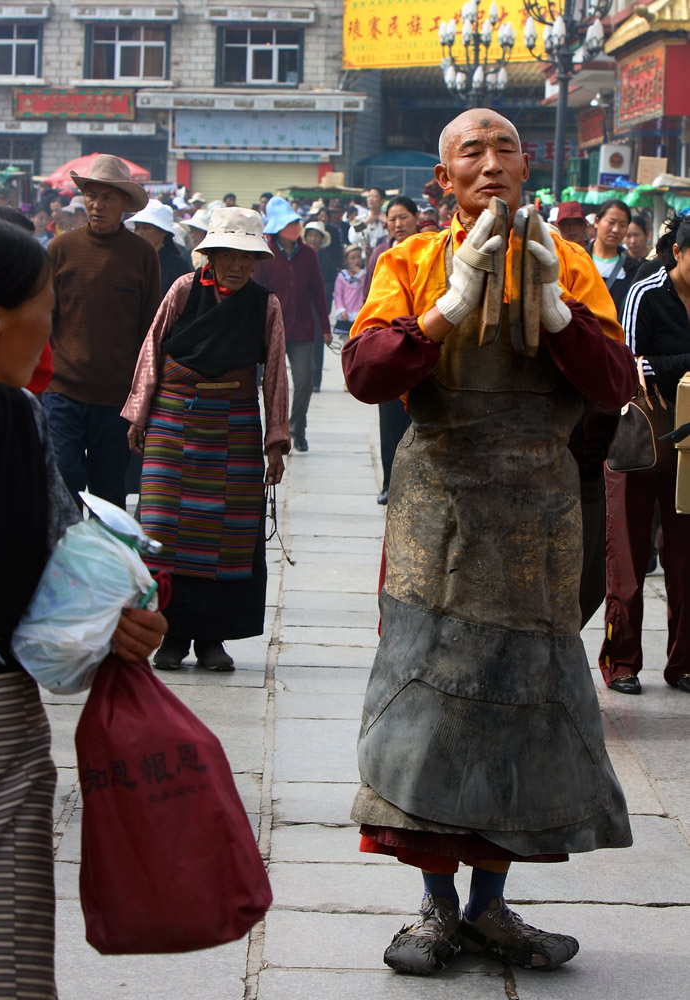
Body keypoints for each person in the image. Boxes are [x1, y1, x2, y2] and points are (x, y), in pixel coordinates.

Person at [341, 108, 637, 978]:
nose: (492, 162)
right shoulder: (410, 262)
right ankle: (434, 910)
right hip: (439, 511)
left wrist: (552, 309)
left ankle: (493, 907)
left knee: (523, 703)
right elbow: (364, 373)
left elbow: (615, 383)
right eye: (472, 150)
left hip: (536, 517)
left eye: (507, 148)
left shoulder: (570, 262)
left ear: (526, 169)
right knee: (429, 707)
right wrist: (443, 313)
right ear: (444, 180)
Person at [0, 214, 167, 999]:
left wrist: (119, 619)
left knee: (5, 956)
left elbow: (65, 554)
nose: (49, 337)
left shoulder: (15, 417)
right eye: (45, 314)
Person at [122, 208, 290, 672]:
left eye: (244, 257)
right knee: (160, 531)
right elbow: (152, 348)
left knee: (227, 534)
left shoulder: (265, 304)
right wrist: (139, 412)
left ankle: (212, 639)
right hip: (172, 421)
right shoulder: (182, 289)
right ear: (210, 255)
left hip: (234, 423)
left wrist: (275, 439)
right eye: (225, 255)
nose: (234, 265)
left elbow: (275, 372)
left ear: (255, 262)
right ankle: (170, 637)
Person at [600, 213, 690, 695]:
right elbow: (628, 366)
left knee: (685, 559)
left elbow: (655, 365)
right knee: (629, 558)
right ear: (677, 252)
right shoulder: (645, 292)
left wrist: (667, 366)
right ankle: (622, 661)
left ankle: (683, 664)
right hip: (641, 442)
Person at [42, 155, 161, 510]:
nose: (97, 204)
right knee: (63, 476)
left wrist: (143, 397)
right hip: (63, 389)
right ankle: (64, 559)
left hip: (116, 398)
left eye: (108, 197)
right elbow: (42, 319)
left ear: (125, 204)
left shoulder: (142, 255)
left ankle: (108, 563)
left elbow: (151, 330)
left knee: (109, 490)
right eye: (92, 195)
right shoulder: (60, 249)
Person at [253, 196, 332, 452]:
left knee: (305, 381)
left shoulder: (308, 254)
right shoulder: (264, 253)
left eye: (295, 223)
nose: (294, 228)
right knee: (273, 386)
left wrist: (325, 327)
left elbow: (318, 291)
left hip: (303, 328)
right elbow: (257, 292)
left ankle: (297, 428)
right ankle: (275, 433)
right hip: (271, 329)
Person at [360, 195, 419, 505]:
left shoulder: (429, 249)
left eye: (404, 217)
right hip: (388, 344)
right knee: (390, 420)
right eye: (393, 219)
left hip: (421, 344)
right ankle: (389, 482)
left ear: (416, 217)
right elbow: (368, 298)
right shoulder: (381, 255)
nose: (398, 224)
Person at [127, 199, 193, 295]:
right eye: (137, 227)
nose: (139, 233)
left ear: (163, 232)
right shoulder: (130, 260)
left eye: (146, 228)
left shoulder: (177, 265)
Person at [589, 199, 641, 316]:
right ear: (597, 221)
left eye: (622, 225)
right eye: (611, 222)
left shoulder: (633, 269)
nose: (616, 230)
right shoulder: (578, 259)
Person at [303, 220, 337, 392]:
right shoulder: (300, 257)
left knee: (317, 342)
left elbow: (331, 282)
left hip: (318, 306)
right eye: (311, 235)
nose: (313, 239)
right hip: (302, 305)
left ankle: (316, 380)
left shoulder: (326, 261)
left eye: (317, 235)